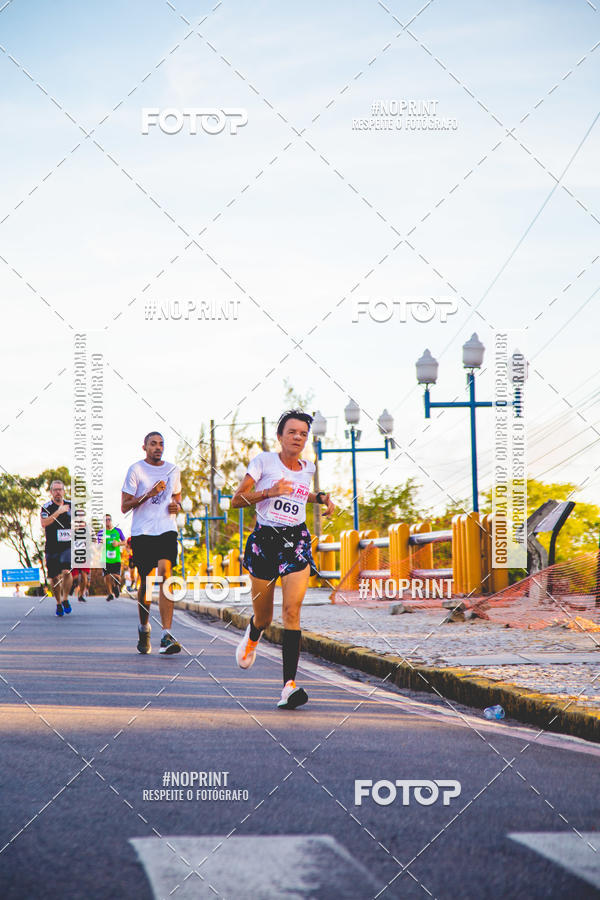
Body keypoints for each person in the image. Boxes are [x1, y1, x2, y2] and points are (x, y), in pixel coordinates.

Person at [231, 409, 335, 709]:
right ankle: (253, 635)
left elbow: (300, 494)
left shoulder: (308, 468)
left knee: (292, 611)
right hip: (265, 541)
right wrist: (269, 491)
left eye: (303, 433)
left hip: (296, 541)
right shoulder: (263, 462)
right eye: (292, 432)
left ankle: (288, 686)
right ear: (280, 436)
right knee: (264, 617)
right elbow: (237, 500)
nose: (298, 437)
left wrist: (321, 497)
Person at [121, 432, 183, 654]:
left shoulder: (173, 470)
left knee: (166, 574)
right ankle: (144, 627)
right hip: (143, 532)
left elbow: (176, 496)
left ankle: (166, 635)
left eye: (161, 444)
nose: (158, 447)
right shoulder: (136, 470)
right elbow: (125, 506)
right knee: (146, 583)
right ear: (144, 447)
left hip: (166, 529)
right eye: (153, 444)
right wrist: (148, 494)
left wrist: (177, 505)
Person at [40, 479, 73, 617]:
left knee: (66, 571)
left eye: (60, 489)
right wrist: (58, 512)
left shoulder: (71, 505)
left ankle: (65, 598)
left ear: (64, 491)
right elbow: (44, 523)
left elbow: (81, 522)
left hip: (67, 545)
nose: (58, 492)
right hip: (52, 546)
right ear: (51, 492)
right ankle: (58, 602)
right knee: (54, 577)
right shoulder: (46, 507)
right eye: (55, 490)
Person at [101, 514, 126, 600]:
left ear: (111, 520)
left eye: (109, 519)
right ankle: (110, 593)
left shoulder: (118, 531)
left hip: (116, 558)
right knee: (107, 576)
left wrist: (118, 543)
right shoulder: (101, 532)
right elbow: (97, 544)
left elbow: (125, 542)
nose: (107, 521)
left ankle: (116, 586)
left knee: (117, 576)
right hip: (105, 559)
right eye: (106, 520)